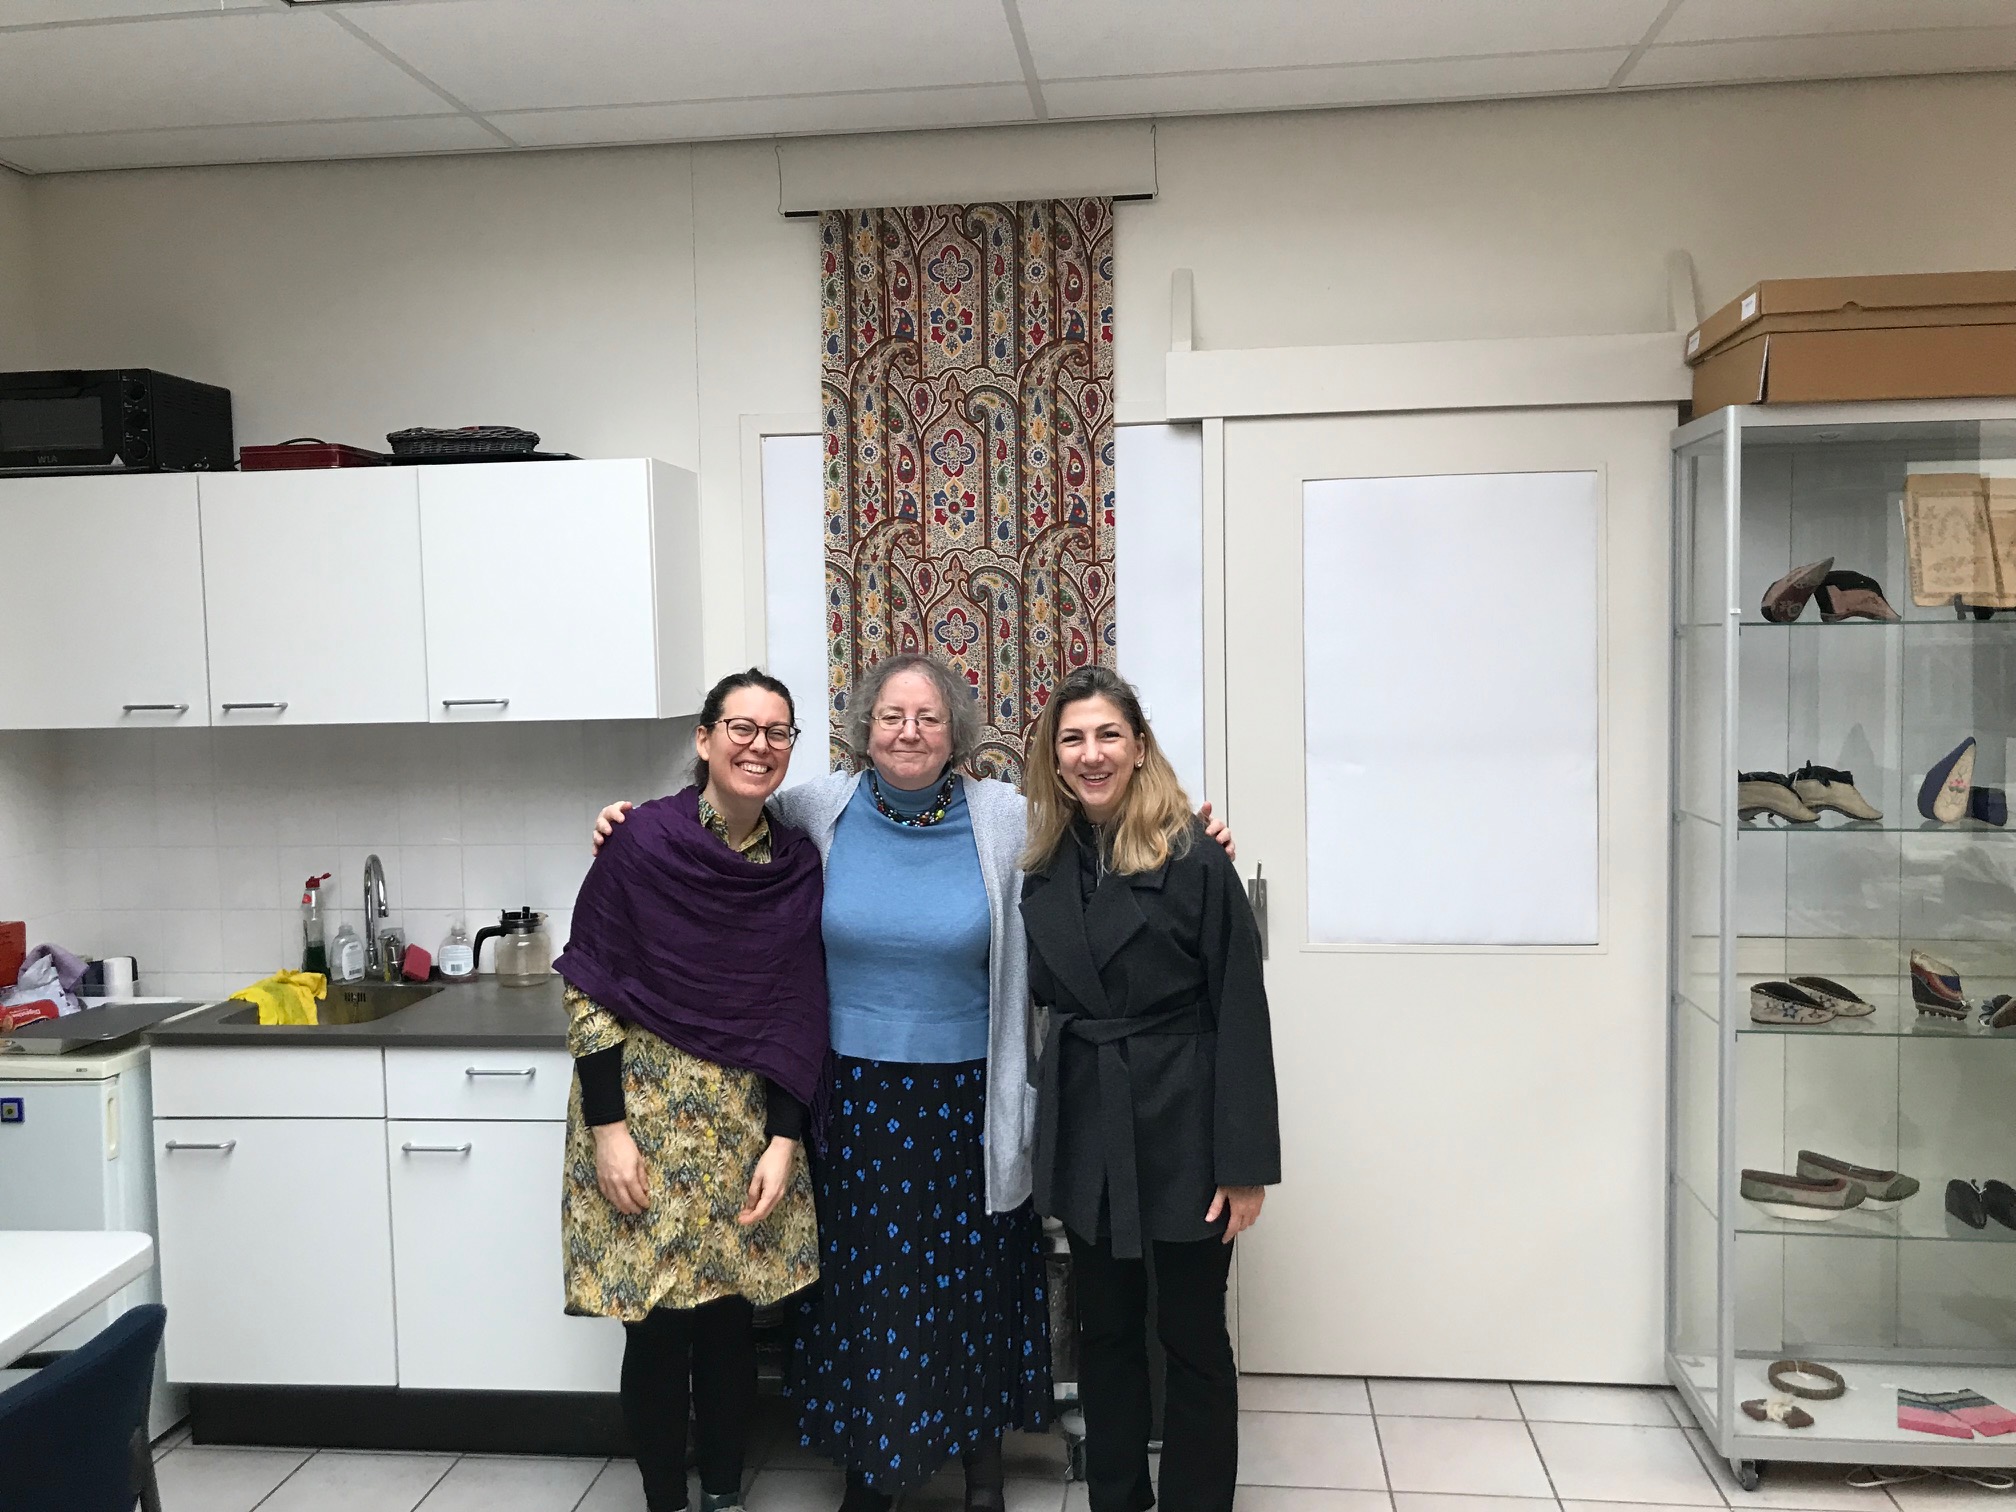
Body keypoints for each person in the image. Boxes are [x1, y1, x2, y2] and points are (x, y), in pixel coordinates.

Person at [593, 652, 1238, 1511]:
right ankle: (875, 1471)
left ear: (956, 733)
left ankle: (982, 1473)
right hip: (851, 1100)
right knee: (870, 1298)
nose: (909, 731)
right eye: (892, 716)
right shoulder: (816, 809)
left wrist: (1196, 833)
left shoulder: (1005, 816)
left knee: (971, 1291)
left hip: (971, 1096)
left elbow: (1102, 827)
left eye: (929, 718)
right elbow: (723, 813)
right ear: (865, 729)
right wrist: (632, 824)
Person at [555, 668, 828, 1512]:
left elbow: (799, 1008)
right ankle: (664, 1499)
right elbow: (591, 986)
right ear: (705, 740)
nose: (759, 746)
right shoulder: (645, 842)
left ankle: (722, 1494)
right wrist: (608, 1131)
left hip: (741, 1126)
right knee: (656, 1325)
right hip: (642, 1119)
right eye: (740, 728)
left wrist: (785, 1138)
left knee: (728, 1324)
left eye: (777, 732)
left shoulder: (795, 865)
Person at [1019, 665, 1280, 1512]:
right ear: (1054, 760)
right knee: (1105, 1332)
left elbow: (1242, 1008)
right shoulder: (1043, 863)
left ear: (1138, 748)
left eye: (1107, 736)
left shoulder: (1196, 857)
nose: (1091, 754)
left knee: (1194, 1334)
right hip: (1091, 1122)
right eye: (1073, 738)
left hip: (1186, 1124)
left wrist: (1243, 1163)